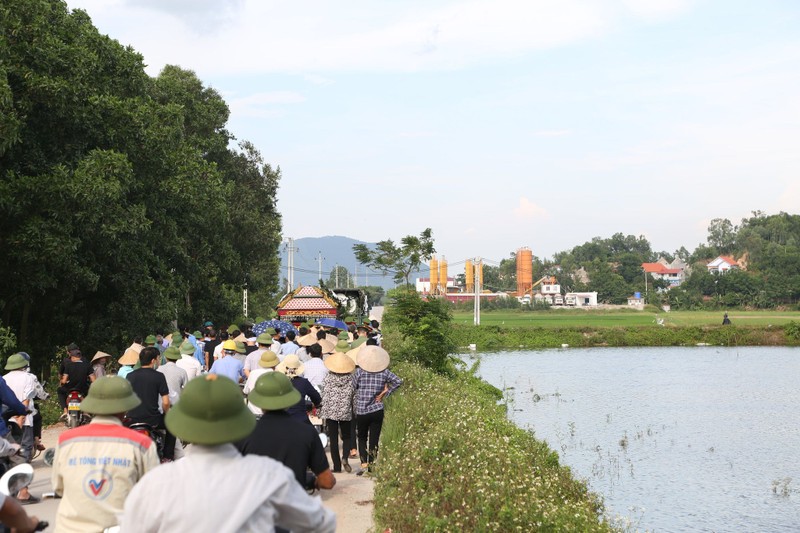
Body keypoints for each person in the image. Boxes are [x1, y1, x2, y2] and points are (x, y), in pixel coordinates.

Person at [119, 374, 336, 532]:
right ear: (241, 421)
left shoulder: (155, 484)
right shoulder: (272, 476)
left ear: (183, 425)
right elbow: (322, 522)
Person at [51, 376, 160, 532]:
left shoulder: (66, 441)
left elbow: (58, 487)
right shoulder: (141, 444)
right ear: (125, 407)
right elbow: (152, 495)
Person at [238, 372, 335, 490]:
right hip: (293, 503)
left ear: (260, 402)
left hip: (258, 504)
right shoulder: (307, 432)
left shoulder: (245, 434)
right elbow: (327, 482)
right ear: (290, 399)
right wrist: (311, 481)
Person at [353, 345, 402, 475]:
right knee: (374, 439)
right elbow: (398, 381)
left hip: (362, 410)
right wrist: (385, 393)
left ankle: (364, 462)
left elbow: (353, 388)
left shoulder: (359, 372)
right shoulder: (384, 372)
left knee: (362, 437)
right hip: (377, 408)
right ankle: (372, 466)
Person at [126, 347, 175, 461]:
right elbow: (166, 402)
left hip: (132, 419)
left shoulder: (130, 376)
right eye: (158, 359)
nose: (158, 361)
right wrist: (167, 414)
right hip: (153, 420)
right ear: (153, 361)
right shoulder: (159, 376)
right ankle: (167, 457)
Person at [320, 350, 356, 473]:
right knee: (346, 437)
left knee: (334, 439)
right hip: (345, 411)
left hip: (331, 411)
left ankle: (336, 466)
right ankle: (345, 457)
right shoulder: (351, 379)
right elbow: (354, 396)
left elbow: (323, 392)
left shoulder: (328, 377)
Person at [3, 354, 37, 463]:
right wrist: (22, 417)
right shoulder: (28, 377)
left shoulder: (4, 378)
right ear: (24, 364)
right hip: (23, 416)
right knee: (26, 444)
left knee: (9, 445)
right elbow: (26, 399)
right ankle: (23, 469)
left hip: (7, 418)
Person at [275, 355, 320, 424]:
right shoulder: (303, 382)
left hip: (282, 420)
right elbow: (317, 398)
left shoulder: (278, 382)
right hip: (300, 420)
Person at [57, 344, 95, 421]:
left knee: (60, 391)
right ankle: (86, 411)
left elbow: (64, 380)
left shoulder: (68, 365)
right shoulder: (86, 364)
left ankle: (65, 411)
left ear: (72, 356)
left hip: (69, 388)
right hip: (82, 388)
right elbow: (94, 380)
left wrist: (61, 381)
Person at [243, 351, 280, 415]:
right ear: (275, 363)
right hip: (269, 414)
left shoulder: (253, 373)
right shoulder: (277, 375)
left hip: (252, 412)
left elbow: (246, 391)